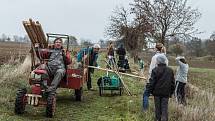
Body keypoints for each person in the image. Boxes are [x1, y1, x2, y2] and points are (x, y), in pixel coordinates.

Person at [147, 54, 175, 121]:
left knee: (157, 109)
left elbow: (152, 83)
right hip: (166, 93)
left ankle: (158, 119)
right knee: (164, 109)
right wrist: (171, 93)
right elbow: (173, 83)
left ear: (158, 61)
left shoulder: (155, 70)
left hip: (157, 93)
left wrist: (149, 91)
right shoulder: (170, 70)